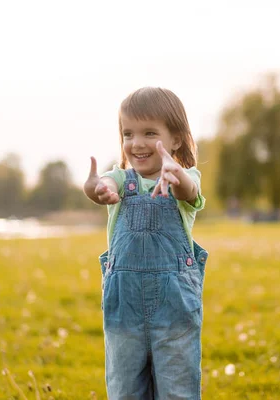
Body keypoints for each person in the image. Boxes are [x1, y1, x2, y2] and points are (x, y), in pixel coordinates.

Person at [83, 87, 208, 399]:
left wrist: (175, 174)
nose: (136, 143)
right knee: (125, 389)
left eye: (149, 133)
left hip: (175, 309)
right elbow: (106, 183)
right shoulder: (121, 180)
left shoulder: (186, 176)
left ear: (176, 139)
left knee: (177, 389)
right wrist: (97, 189)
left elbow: (188, 191)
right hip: (124, 309)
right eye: (128, 133)